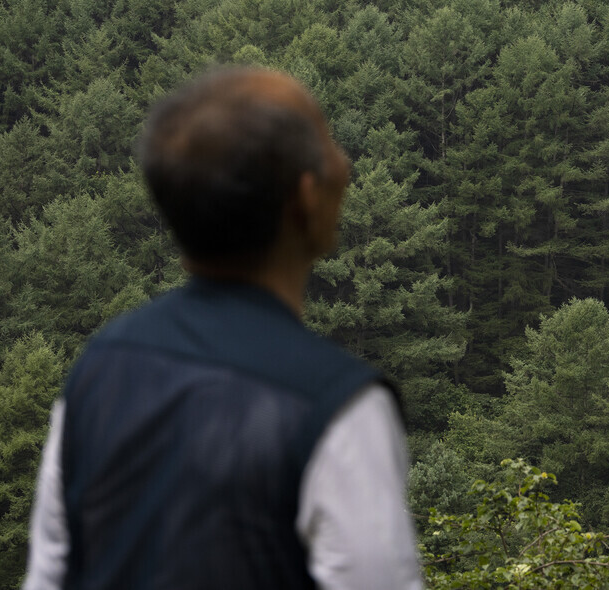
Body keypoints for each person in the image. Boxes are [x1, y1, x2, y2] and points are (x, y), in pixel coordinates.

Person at [22, 67, 424, 590]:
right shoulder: (337, 407)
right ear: (305, 199)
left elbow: (49, 576)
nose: (345, 164)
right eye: (330, 147)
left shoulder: (100, 367)